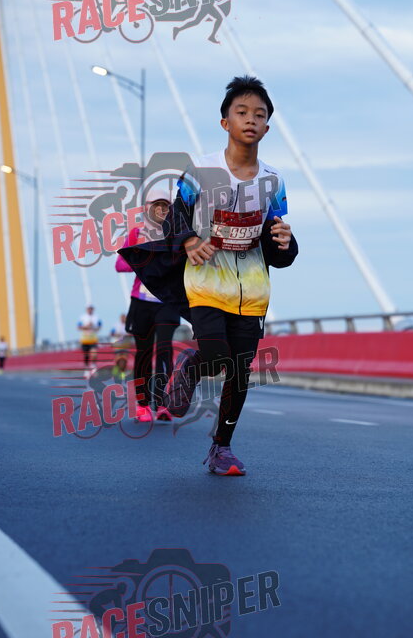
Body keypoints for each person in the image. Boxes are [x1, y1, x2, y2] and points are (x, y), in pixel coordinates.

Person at [118, 75, 299, 476]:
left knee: (239, 368)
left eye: (259, 115)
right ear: (225, 123)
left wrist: (286, 242)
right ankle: (191, 367)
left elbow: (276, 235)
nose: (251, 120)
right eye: (242, 112)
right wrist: (187, 241)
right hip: (205, 278)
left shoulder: (273, 180)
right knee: (215, 353)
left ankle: (222, 447)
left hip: (252, 285)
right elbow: (175, 218)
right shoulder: (200, 170)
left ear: (267, 127)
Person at [115, 185, 179, 422]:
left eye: (165, 206)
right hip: (142, 302)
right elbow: (120, 264)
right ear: (147, 208)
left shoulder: (177, 234)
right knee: (143, 353)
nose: (161, 210)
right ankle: (142, 405)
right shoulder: (137, 233)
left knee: (164, 350)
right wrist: (145, 260)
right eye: (156, 205)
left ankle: (162, 403)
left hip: (168, 302)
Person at [78, 305, 102, 369]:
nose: (90, 310)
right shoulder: (82, 317)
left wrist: (94, 327)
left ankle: (93, 365)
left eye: (91, 309)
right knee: (86, 355)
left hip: (93, 339)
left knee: (94, 353)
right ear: (86, 309)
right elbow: (78, 327)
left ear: (93, 309)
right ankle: (86, 366)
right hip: (85, 339)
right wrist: (86, 326)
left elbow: (99, 327)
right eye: (88, 309)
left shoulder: (96, 317)